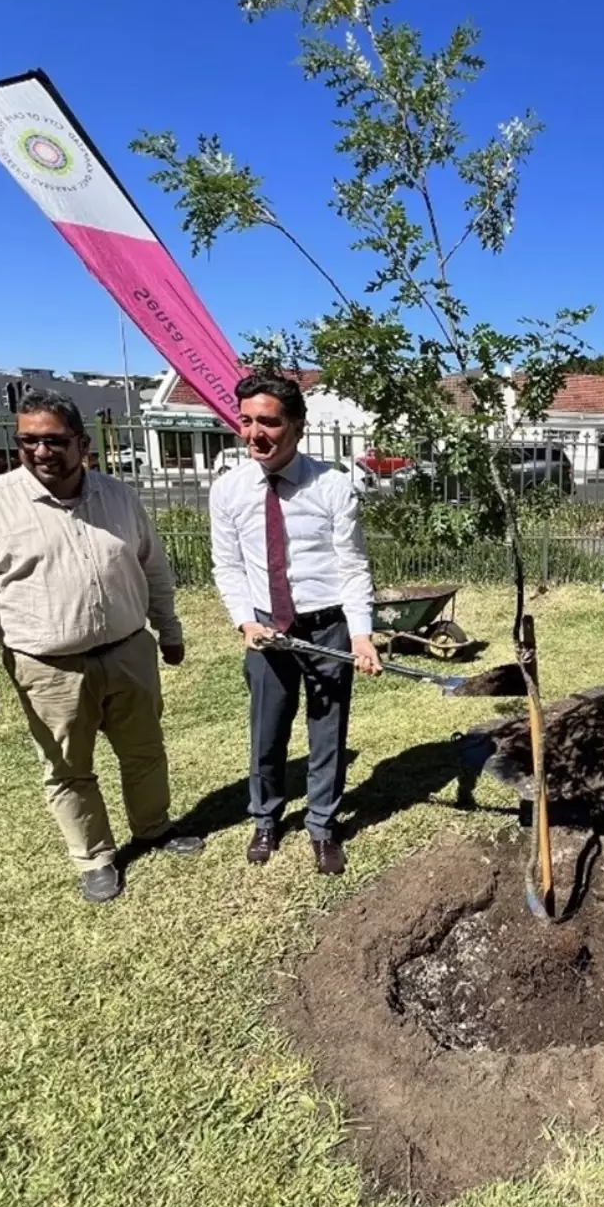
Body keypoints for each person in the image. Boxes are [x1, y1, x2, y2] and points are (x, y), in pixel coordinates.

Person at [0, 390, 203, 903]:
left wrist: (168, 630)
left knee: (145, 752)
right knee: (67, 769)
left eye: (55, 440)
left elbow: (152, 568)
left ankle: (153, 828)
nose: (41, 451)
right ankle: (95, 857)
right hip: (47, 667)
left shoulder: (119, 497)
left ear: (83, 443)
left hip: (130, 651)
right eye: (28, 440)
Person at [209, 373, 381, 875]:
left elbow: (353, 566)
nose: (254, 433)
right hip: (265, 630)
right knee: (267, 731)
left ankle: (323, 827)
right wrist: (245, 622)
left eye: (268, 421)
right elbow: (228, 566)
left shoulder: (331, 486)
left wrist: (361, 633)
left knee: (328, 731)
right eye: (245, 421)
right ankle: (266, 818)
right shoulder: (228, 490)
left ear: (298, 426)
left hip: (326, 627)